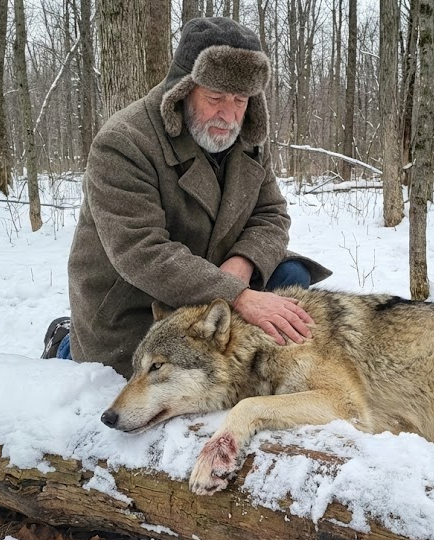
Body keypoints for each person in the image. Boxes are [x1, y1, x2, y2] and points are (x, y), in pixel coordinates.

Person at [43, 17, 331, 377]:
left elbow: (271, 214)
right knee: (154, 370)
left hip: (212, 298)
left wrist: (241, 267)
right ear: (182, 90)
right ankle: (65, 344)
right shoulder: (124, 142)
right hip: (139, 305)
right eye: (215, 98)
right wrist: (237, 295)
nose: (228, 115)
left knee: (290, 276)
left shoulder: (247, 139)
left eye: (240, 99)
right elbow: (141, 250)